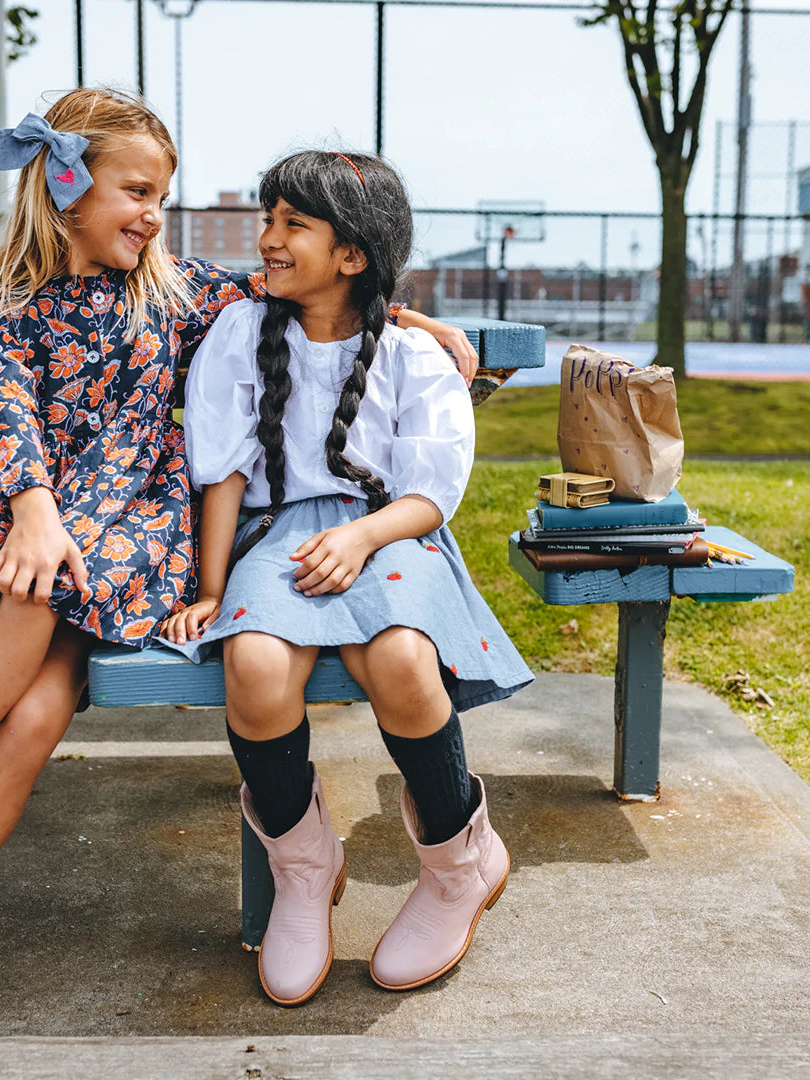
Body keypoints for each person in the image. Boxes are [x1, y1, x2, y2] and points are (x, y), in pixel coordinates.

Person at [0, 91, 478, 1036]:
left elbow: (319, 287)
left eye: (162, 194)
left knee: (37, 624)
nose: (154, 213)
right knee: (33, 702)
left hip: (141, 541)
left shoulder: (178, 288)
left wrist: (411, 319)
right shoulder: (2, 308)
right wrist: (35, 511)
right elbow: (9, 421)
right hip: (48, 540)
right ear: (63, 186)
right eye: (137, 190)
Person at [161, 150, 534, 1007]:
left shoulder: (410, 351)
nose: (269, 239)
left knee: (403, 659)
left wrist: (363, 536)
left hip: (392, 530)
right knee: (251, 665)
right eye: (269, 220)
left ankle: (456, 865)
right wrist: (213, 588)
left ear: (353, 256)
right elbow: (220, 472)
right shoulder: (238, 332)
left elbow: (430, 494)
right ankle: (302, 866)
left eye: (294, 224)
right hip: (277, 534)